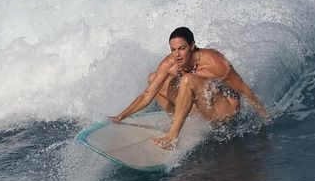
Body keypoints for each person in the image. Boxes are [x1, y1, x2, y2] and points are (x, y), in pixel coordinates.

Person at [111, 27, 268, 150]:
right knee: (154, 78)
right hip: (202, 107)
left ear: (192, 46)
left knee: (187, 79)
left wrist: (266, 118)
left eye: (182, 48)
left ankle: (172, 137)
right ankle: (177, 121)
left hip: (224, 112)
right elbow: (147, 94)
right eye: (173, 50)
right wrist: (120, 116)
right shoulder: (170, 63)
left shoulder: (214, 62)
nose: (177, 55)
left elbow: (245, 90)